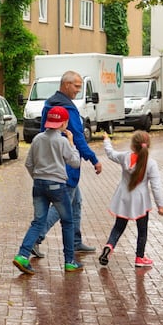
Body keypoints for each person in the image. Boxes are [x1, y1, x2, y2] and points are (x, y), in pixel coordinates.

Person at [31, 71, 102, 259]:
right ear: (66, 84)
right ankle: (35, 239)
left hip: (53, 162)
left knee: (76, 202)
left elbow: (43, 132)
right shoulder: (66, 109)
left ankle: (76, 241)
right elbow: (78, 137)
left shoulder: (50, 103)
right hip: (66, 167)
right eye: (77, 86)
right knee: (61, 207)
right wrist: (93, 159)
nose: (79, 90)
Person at [13, 106, 83, 274]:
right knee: (67, 222)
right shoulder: (62, 141)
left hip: (38, 184)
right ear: (64, 123)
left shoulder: (37, 139)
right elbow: (75, 162)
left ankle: (22, 255)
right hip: (57, 186)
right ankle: (69, 261)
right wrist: (72, 143)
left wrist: (37, 177)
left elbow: (28, 163)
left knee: (37, 222)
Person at [98, 130, 163, 267]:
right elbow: (156, 186)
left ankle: (109, 246)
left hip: (123, 198)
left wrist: (106, 140)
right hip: (140, 202)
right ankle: (139, 257)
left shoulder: (125, 157)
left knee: (118, 226)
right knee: (142, 230)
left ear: (132, 145)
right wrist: (161, 205)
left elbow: (111, 154)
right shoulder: (151, 163)